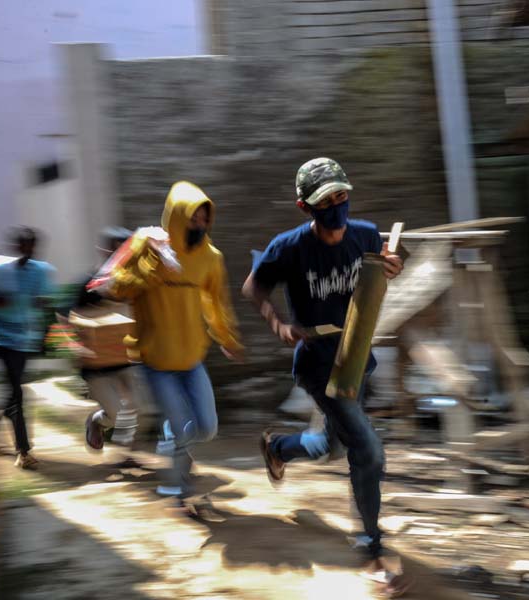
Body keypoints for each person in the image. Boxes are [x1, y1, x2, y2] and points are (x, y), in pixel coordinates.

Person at [242, 157, 407, 588]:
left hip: (356, 359)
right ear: (305, 207)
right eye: (325, 201)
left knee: (331, 446)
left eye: (341, 196)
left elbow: (382, 273)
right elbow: (253, 286)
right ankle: (371, 546)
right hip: (318, 367)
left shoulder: (366, 235)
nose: (336, 206)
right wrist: (279, 323)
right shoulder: (289, 247)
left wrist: (392, 267)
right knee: (367, 450)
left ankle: (278, 448)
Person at [107, 181, 244, 506]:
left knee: (207, 428)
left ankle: (174, 447)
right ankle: (178, 492)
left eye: (205, 220)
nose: (200, 226)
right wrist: (153, 267)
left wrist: (227, 337)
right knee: (183, 429)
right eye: (193, 218)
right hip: (155, 361)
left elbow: (217, 303)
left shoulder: (210, 257)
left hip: (191, 359)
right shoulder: (145, 245)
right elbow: (117, 287)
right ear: (177, 217)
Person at [0, 226, 56, 469]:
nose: (28, 249)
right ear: (15, 246)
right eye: (23, 244)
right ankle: (24, 451)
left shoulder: (39, 271)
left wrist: (45, 326)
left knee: (13, 389)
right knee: (17, 392)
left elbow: (42, 302)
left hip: (23, 339)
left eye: (32, 245)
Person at [65, 226, 143, 452]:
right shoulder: (87, 285)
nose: (120, 255)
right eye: (115, 249)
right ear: (104, 251)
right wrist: (75, 348)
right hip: (96, 366)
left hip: (125, 359)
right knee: (116, 414)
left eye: (125, 250)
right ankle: (96, 421)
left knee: (139, 407)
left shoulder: (132, 285)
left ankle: (127, 453)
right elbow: (66, 320)